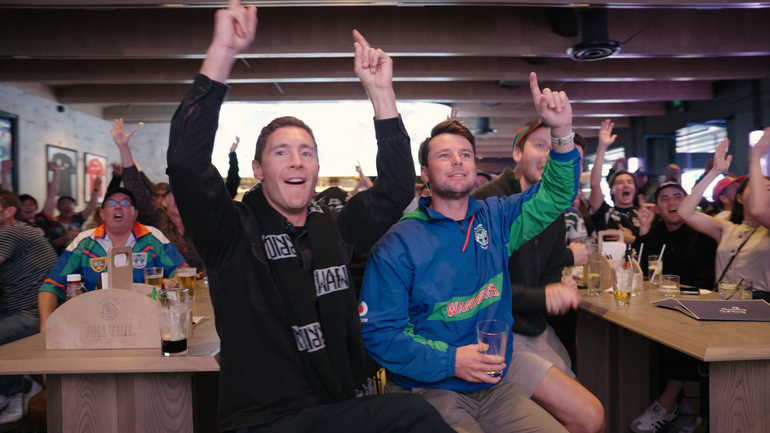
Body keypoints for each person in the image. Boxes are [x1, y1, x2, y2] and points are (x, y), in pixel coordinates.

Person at [166, 2, 453, 432]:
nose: (297, 161)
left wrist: (380, 92)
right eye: (281, 153)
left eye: (307, 152)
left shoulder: (333, 230)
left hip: (332, 405)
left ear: (317, 168)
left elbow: (395, 187)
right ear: (259, 170)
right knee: (412, 415)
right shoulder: (231, 233)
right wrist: (223, 53)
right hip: (263, 421)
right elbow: (187, 165)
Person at [360, 73, 589, 432]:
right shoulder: (398, 243)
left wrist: (562, 132)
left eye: (465, 154)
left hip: (494, 383)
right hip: (430, 387)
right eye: (445, 155)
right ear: (425, 173)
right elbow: (380, 335)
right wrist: (452, 361)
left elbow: (556, 196)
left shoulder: (496, 217)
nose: (457, 161)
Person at [470, 119, 602, 432]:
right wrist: (546, 295)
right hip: (495, 334)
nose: (548, 156)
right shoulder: (487, 204)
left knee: (585, 406)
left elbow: (548, 275)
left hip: (533, 327)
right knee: (587, 416)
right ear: (517, 152)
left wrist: (558, 285)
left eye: (557, 149)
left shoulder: (554, 212)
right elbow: (477, 289)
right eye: (540, 145)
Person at [627, 182, 716, 433]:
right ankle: (679, 409)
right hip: (658, 308)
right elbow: (641, 273)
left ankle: (667, 406)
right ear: (658, 207)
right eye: (664, 199)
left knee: (675, 336)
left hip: (698, 309)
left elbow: (709, 280)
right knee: (640, 341)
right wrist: (643, 229)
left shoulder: (703, 233)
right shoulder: (655, 235)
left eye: (678, 197)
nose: (671, 202)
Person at [38, 187, 187, 332]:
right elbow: (50, 286)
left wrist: (171, 283)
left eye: (124, 203)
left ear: (135, 213)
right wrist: (46, 328)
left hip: (145, 322)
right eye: (111, 203)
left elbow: (182, 271)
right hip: (93, 325)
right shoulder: (84, 242)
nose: (117, 206)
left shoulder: (151, 236)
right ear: (102, 214)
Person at [679, 134, 770, 300]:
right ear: (740, 198)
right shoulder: (727, 228)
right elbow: (685, 212)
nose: (763, 192)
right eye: (756, 187)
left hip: (760, 308)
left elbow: (758, 211)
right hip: (723, 303)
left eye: (768, 188)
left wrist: (756, 159)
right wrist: (715, 172)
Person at [110, 118, 204, 272]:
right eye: (175, 194)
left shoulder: (197, 223)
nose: (181, 198)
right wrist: (124, 149)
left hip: (196, 288)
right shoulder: (156, 218)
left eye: (184, 194)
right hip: (161, 286)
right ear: (164, 201)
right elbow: (136, 190)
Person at [0, 189, 54, 424]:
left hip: (35, 313)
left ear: (9, 211)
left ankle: (17, 391)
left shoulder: (12, 232)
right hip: (17, 309)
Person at [589, 119, 640, 244]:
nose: (626, 184)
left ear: (635, 189)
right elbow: (595, 184)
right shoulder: (606, 213)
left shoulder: (645, 215)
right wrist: (602, 147)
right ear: (612, 191)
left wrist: (632, 240)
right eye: (620, 183)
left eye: (629, 182)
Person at [46, 163, 102, 255]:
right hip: (59, 261)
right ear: (58, 207)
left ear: (73, 207)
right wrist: (65, 237)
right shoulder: (52, 224)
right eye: (63, 203)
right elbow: (49, 246)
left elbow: (91, 206)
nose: (67, 206)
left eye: (70, 203)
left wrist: (96, 188)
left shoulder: (78, 219)